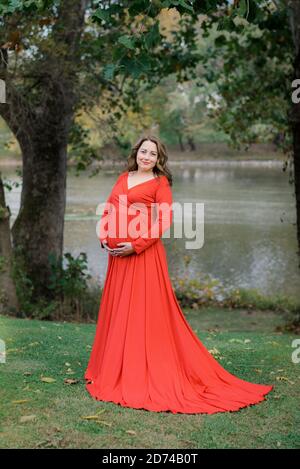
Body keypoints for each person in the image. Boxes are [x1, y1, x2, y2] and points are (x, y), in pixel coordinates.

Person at [84, 135, 274, 414]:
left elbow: (163, 220)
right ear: (136, 153)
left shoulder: (160, 183)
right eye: (144, 151)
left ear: (159, 159)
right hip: (117, 258)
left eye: (153, 154)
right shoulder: (124, 177)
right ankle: (114, 367)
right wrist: (104, 236)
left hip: (142, 256)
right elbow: (110, 208)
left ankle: (142, 370)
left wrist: (135, 245)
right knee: (119, 311)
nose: (147, 157)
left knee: (141, 313)